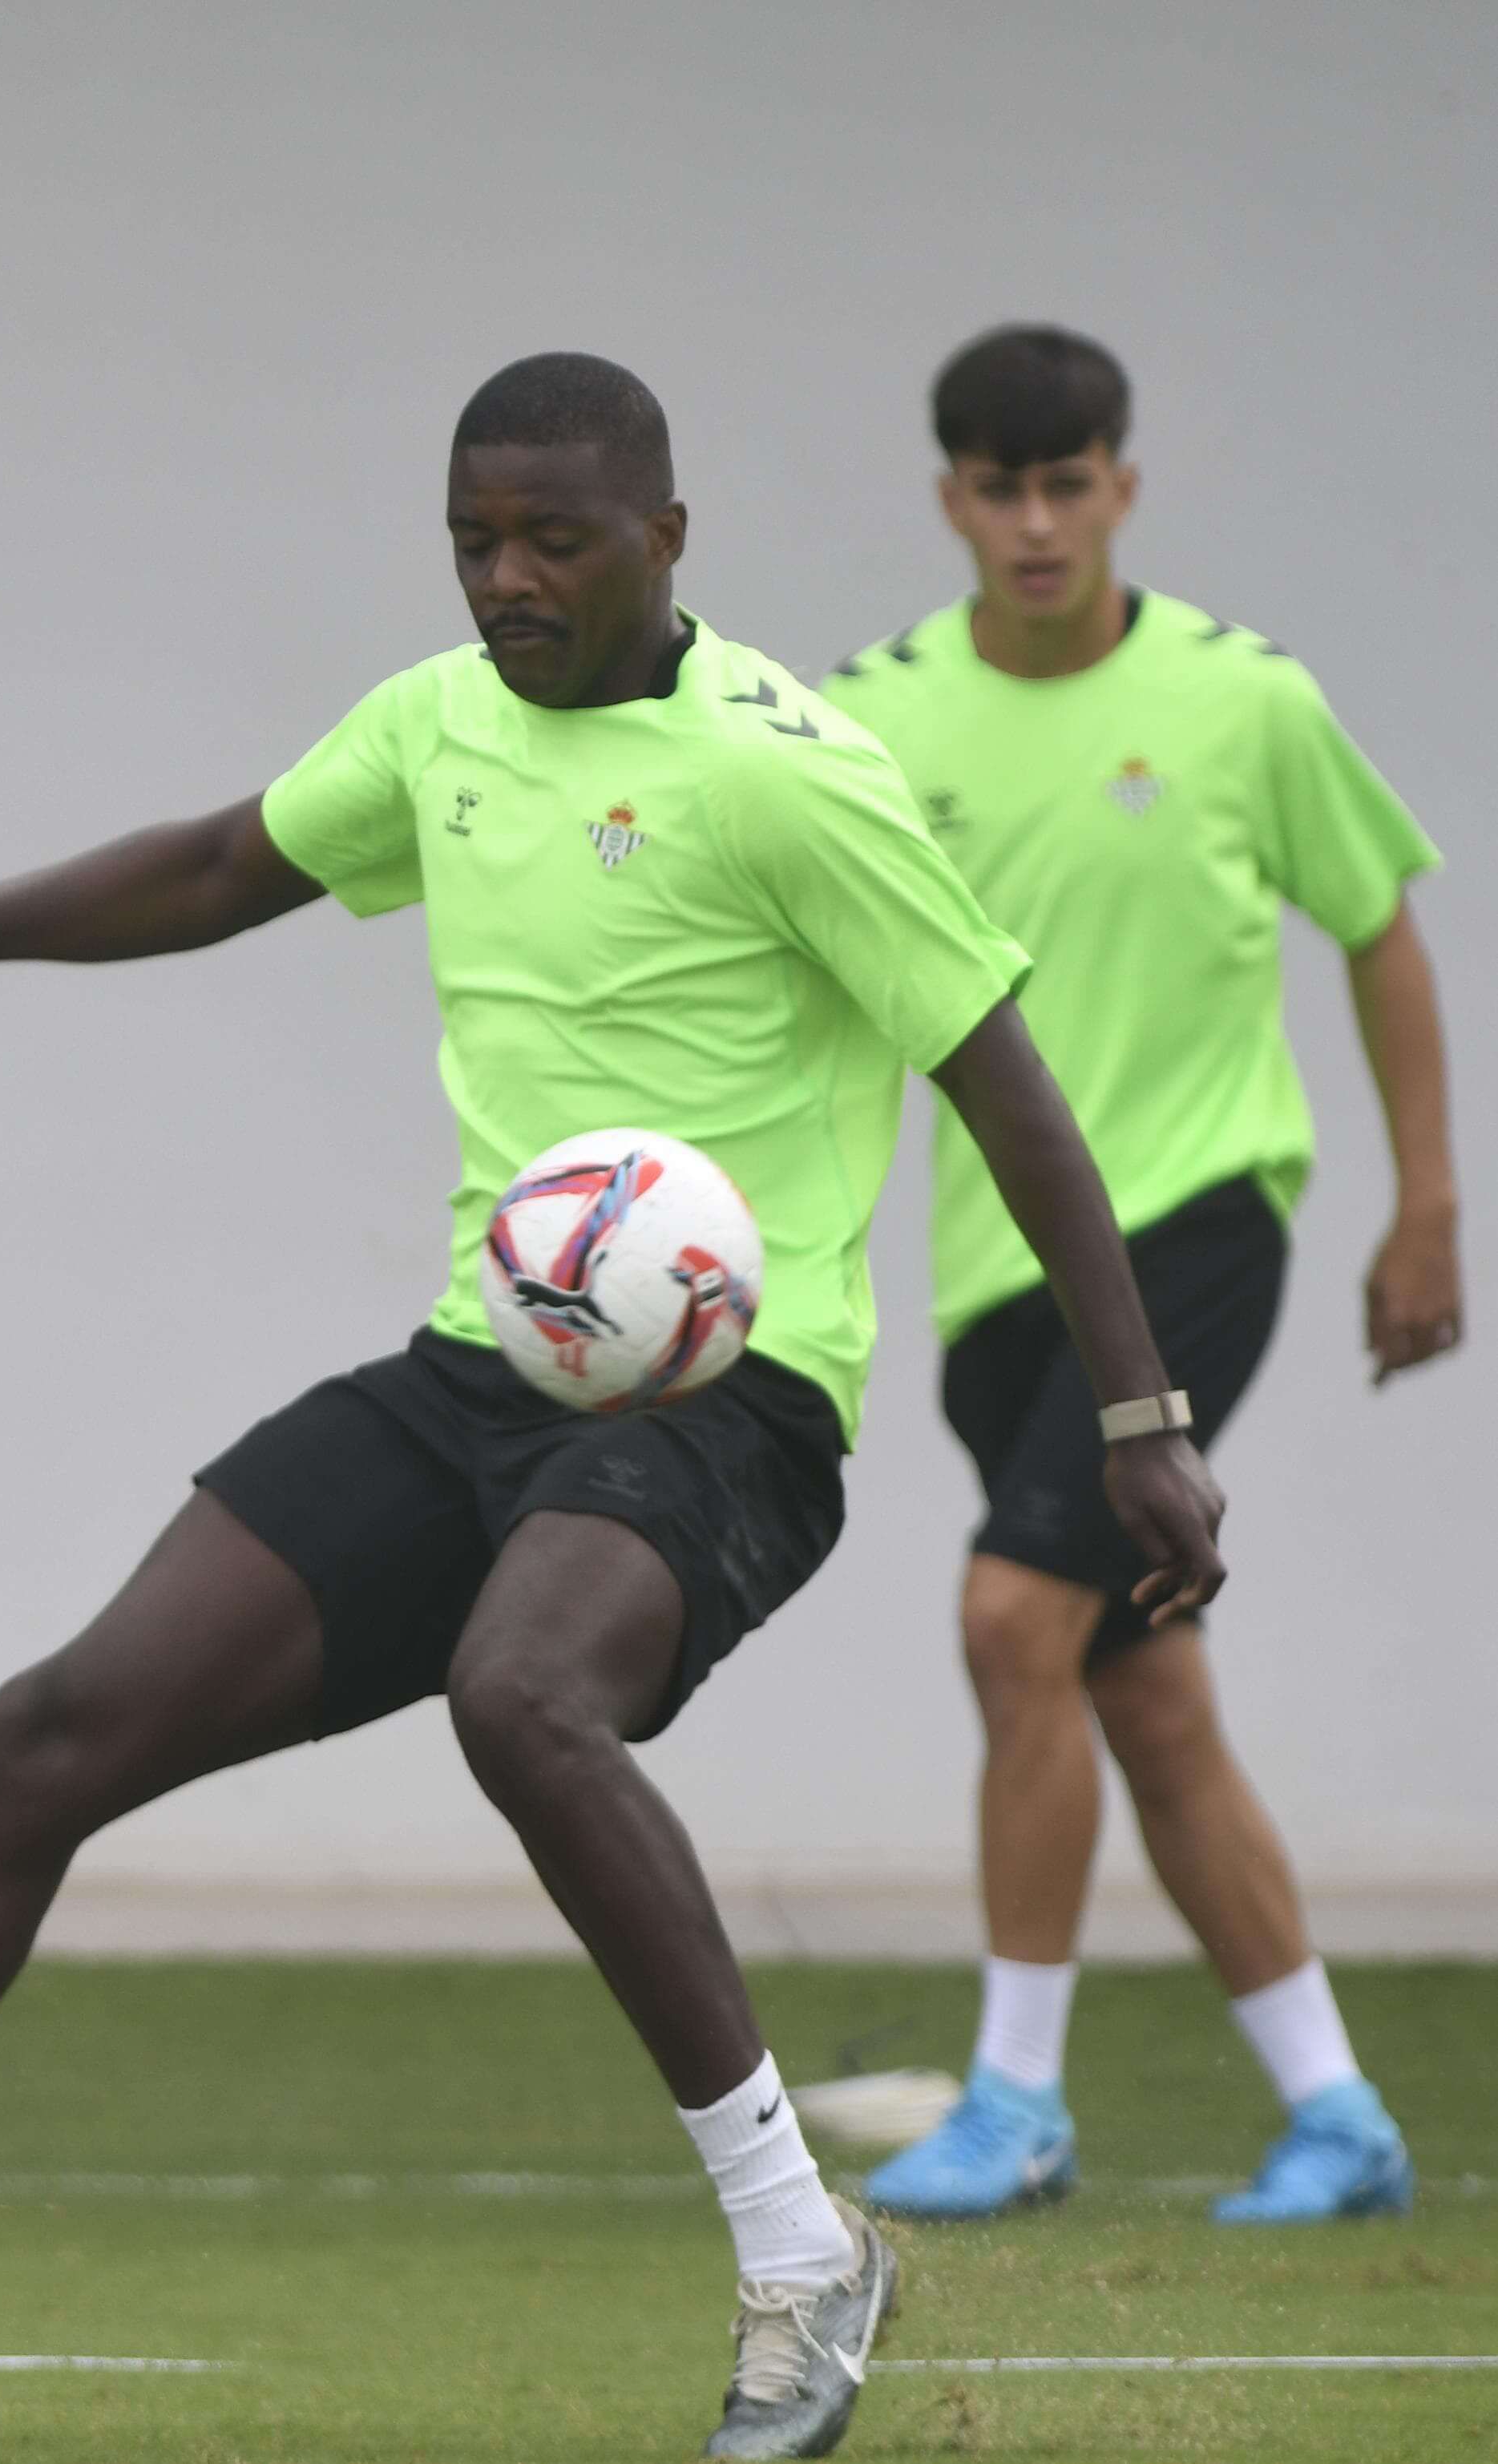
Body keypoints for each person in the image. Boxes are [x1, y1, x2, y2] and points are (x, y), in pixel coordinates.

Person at [0, 353, 1226, 2464]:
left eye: (552, 538)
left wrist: (1139, 1413)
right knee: (46, 1734)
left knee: (523, 1697)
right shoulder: (439, 727)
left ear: (665, 537)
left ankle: (799, 2254)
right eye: (473, 538)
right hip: (479, 1378)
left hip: (731, 1408)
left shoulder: (790, 775)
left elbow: (1002, 1078)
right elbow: (215, 865)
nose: (505, 577)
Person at [822, 325, 1448, 2228]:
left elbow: (1377, 927)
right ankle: (1335, 2112)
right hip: (986, 1287)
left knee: (1016, 1619)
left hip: (1194, 1224)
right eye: (997, 489)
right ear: (948, 498)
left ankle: (1012, 2099)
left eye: (1066, 483)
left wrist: (1424, 1203)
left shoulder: (1244, 702)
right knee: (1141, 1692)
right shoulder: (871, 719)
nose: (1034, 523)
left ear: (1121, 486)